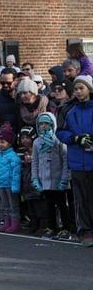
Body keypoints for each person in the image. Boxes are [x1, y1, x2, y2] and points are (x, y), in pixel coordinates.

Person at [56, 75, 93, 247]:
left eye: (82, 88)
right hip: (77, 162)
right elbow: (60, 132)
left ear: (89, 89)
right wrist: (76, 139)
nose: (78, 92)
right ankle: (85, 231)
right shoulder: (69, 110)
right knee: (80, 198)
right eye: (76, 89)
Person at [31, 113, 70, 240]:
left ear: (52, 124)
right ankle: (52, 227)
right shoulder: (37, 142)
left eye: (46, 123)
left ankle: (66, 228)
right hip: (45, 179)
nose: (43, 126)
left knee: (62, 204)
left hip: (58, 179)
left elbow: (65, 161)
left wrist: (65, 179)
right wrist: (35, 178)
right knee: (49, 204)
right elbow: (35, 161)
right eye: (41, 124)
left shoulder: (59, 141)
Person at [0, 126, 22, 233]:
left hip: (9, 185)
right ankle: (6, 223)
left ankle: (15, 224)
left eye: (2, 142)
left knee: (13, 205)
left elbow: (16, 173)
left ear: (9, 143)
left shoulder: (13, 157)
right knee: (4, 205)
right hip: (0, 185)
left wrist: (15, 186)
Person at [18, 125, 46, 235]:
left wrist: (32, 160)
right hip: (25, 183)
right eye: (23, 138)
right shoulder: (20, 152)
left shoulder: (38, 149)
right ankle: (33, 224)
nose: (25, 140)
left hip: (36, 182)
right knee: (30, 206)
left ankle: (43, 226)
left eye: (27, 138)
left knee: (40, 206)